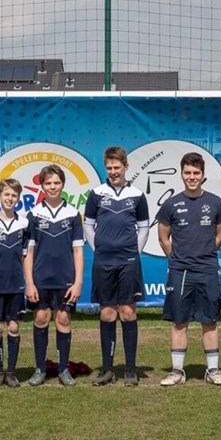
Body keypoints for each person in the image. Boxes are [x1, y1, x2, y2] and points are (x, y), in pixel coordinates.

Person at [156, 152, 221, 386]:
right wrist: (178, 258)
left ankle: (213, 371)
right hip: (181, 271)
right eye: (187, 172)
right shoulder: (171, 204)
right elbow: (163, 238)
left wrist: (206, 251)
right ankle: (177, 372)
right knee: (179, 322)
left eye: (196, 173)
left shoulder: (215, 203)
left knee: (210, 321)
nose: (192, 177)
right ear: (181, 174)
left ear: (203, 174)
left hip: (207, 269)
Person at [83, 146, 150, 387]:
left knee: (128, 312)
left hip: (128, 261)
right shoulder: (96, 194)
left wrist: (134, 252)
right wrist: (99, 249)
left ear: (126, 167)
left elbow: (144, 227)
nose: (113, 171)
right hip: (104, 261)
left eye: (117, 167)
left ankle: (130, 370)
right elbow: (88, 225)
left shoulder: (137, 195)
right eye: (109, 168)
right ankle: (108, 369)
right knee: (107, 313)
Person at [23, 164, 84, 387]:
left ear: (63, 184)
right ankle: (40, 368)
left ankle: (63, 369)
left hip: (65, 278)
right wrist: (29, 282)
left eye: (57, 182)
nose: (53, 186)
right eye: (48, 183)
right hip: (40, 278)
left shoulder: (73, 214)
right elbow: (28, 252)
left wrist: (78, 282)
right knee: (41, 318)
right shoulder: (33, 215)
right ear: (42, 185)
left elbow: (78, 251)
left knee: (64, 319)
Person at [0, 178, 29, 388]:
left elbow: (26, 254)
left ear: (18, 199)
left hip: (16, 283)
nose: (10, 198)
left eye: (14, 195)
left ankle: (11, 372)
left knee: (14, 326)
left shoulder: (24, 223)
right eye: (6, 194)